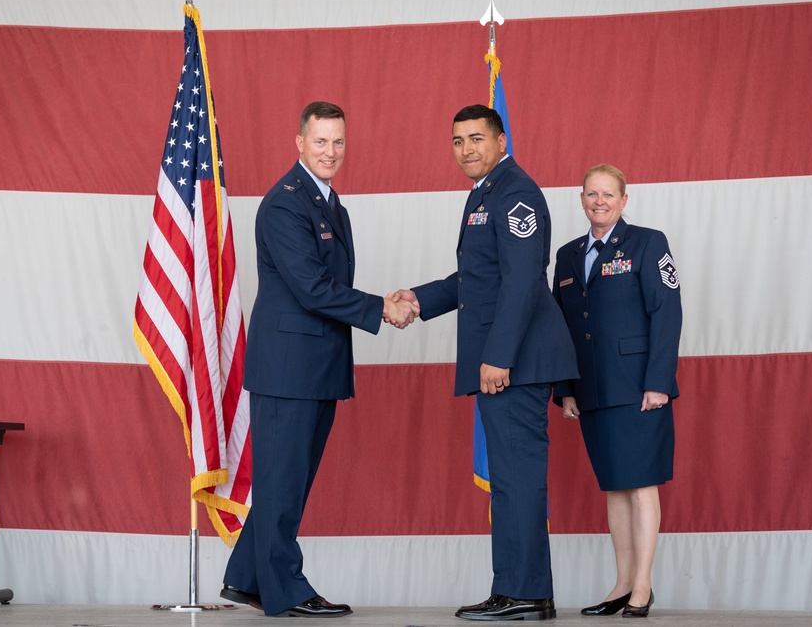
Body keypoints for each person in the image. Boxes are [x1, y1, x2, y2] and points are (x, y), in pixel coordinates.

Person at [221, 101, 418, 618]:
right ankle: (285, 589)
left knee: (288, 480)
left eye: (338, 142)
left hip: (315, 365)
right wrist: (382, 308)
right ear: (300, 144)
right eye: (321, 141)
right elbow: (313, 288)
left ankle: (246, 577)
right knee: (282, 481)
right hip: (288, 368)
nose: (330, 151)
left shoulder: (331, 204)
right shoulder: (285, 204)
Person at [392, 104, 578, 621]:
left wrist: (498, 357)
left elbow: (522, 281)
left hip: (516, 362)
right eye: (457, 141)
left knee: (517, 478)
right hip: (506, 361)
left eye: (477, 138)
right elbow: (476, 280)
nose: (467, 148)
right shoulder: (485, 194)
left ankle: (526, 592)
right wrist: (419, 298)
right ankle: (515, 588)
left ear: (501, 141)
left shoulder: (516, 193)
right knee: (508, 477)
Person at [551, 163, 683, 618]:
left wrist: (658, 384)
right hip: (591, 389)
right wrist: (566, 388)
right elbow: (561, 326)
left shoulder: (649, 243)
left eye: (608, 194)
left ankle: (643, 586)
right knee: (615, 488)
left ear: (624, 200)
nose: (599, 201)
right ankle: (622, 583)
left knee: (641, 486)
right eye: (591, 194)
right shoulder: (568, 256)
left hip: (639, 387)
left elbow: (667, 312)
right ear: (581, 199)